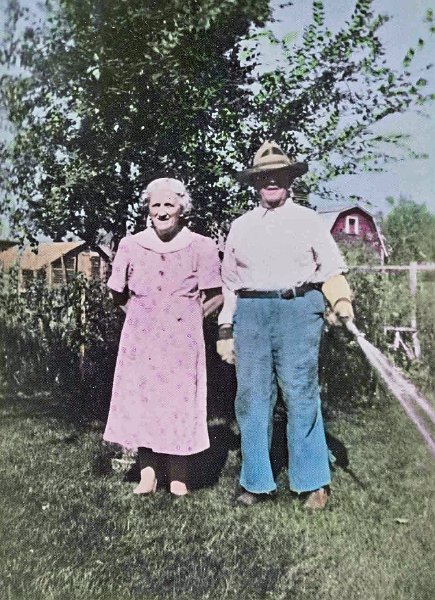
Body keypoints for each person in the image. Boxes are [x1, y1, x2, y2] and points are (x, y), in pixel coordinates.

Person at [216, 141, 354, 508]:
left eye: (279, 174)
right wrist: (226, 330)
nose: (271, 181)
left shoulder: (308, 220)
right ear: (255, 182)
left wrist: (341, 302)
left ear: (290, 178)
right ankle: (256, 481)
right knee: (251, 398)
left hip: (298, 310)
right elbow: (230, 285)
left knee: (300, 392)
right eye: (264, 176)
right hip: (252, 314)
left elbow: (331, 270)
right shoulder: (240, 226)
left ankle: (312, 481)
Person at [104, 177, 223, 497]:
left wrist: (188, 320)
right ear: (148, 209)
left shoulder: (202, 246)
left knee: (179, 403)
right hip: (141, 339)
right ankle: (147, 476)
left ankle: (178, 476)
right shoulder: (131, 245)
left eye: (169, 204)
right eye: (155, 205)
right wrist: (141, 318)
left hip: (183, 341)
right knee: (145, 402)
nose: (161, 211)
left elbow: (216, 294)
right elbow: (116, 292)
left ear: (182, 209)